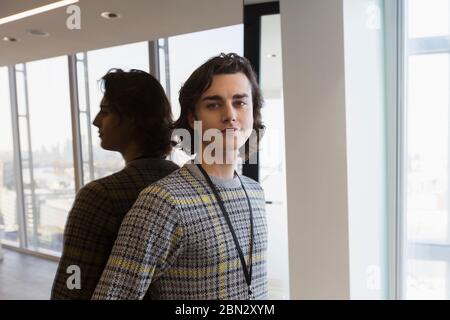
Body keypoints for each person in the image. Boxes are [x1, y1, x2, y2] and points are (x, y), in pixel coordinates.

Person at [92, 53, 267, 300]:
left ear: (253, 110)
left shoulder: (255, 192)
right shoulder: (163, 202)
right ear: (193, 118)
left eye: (240, 102)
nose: (230, 115)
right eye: (214, 104)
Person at [51, 69, 179, 299]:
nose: (95, 121)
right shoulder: (185, 185)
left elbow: (73, 284)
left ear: (131, 118)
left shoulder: (100, 197)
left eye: (105, 111)